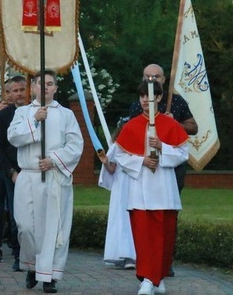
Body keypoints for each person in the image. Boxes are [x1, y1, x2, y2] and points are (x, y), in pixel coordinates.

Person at [8, 70, 83, 294]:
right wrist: (35, 120)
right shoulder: (23, 112)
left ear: (56, 88)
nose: (46, 88)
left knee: (53, 228)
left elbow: (75, 145)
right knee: (25, 227)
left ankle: (49, 276)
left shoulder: (66, 115)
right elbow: (13, 137)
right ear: (33, 87)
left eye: (50, 84)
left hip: (53, 175)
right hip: (28, 175)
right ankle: (33, 266)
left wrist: (53, 160)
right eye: (41, 84)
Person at [114, 81, 189, 295]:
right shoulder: (131, 125)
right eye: (142, 97)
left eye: (151, 97)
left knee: (164, 237)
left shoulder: (171, 125)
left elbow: (183, 154)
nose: (146, 101)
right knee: (144, 237)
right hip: (140, 190)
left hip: (164, 189)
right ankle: (147, 279)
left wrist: (162, 148)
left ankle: (158, 277)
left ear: (159, 98)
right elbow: (120, 155)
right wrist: (141, 161)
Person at [127, 64, 197, 192]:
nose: (151, 79)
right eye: (147, 76)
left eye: (156, 76)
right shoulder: (138, 105)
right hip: (148, 163)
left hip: (172, 160)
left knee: (171, 200)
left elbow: (193, 128)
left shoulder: (176, 101)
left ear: (163, 80)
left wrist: (175, 123)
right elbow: (131, 135)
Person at [0, 76, 27, 269]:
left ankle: (27, 252)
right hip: (9, 170)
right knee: (7, 212)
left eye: (21, 90)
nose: (18, 94)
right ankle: (12, 252)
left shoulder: (35, 112)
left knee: (26, 214)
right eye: (15, 91)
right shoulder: (4, 115)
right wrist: (10, 171)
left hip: (31, 169)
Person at [97, 121, 135, 270]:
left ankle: (134, 255)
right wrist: (106, 162)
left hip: (135, 185)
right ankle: (122, 254)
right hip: (121, 187)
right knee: (121, 219)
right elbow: (112, 170)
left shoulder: (140, 147)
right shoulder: (116, 147)